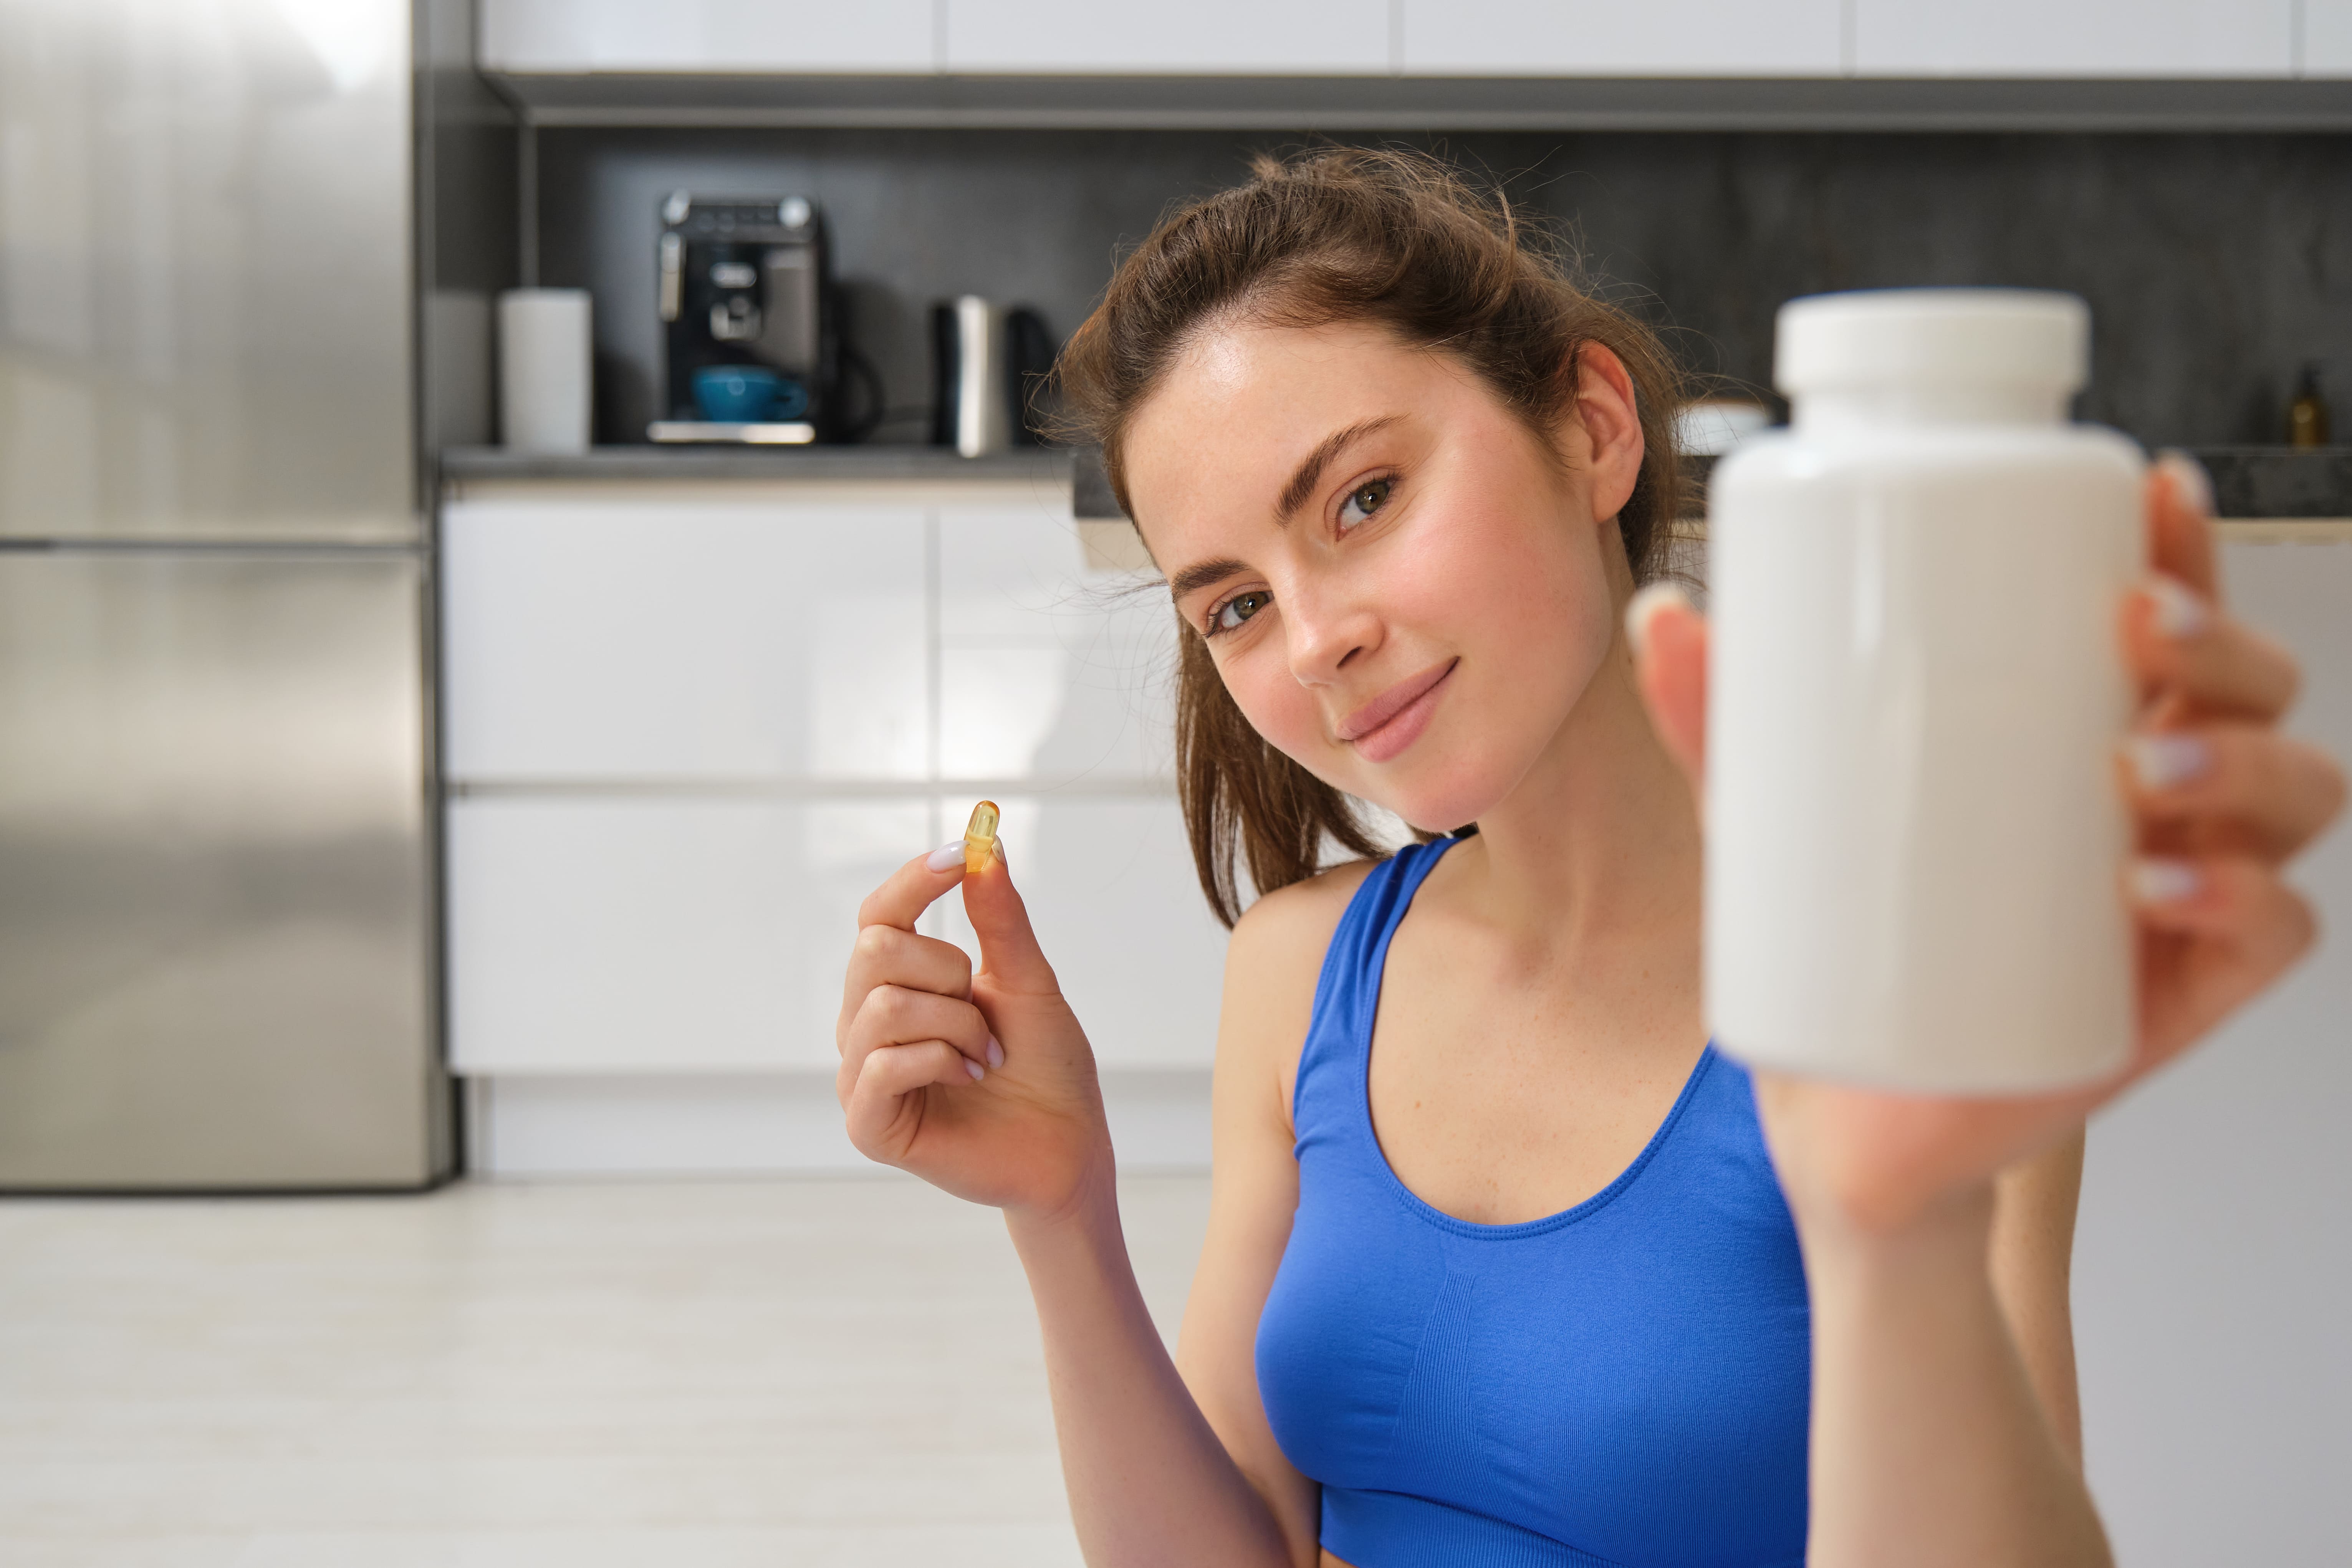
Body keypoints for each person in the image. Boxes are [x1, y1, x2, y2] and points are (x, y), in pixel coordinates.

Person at [834, 149, 2343, 1567]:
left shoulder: (1891, 972)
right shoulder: (1299, 972)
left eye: (1363, 498)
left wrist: (1898, 1239)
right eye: (1231, 604)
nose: (1315, 641)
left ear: (1592, 428)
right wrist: (1062, 1217)